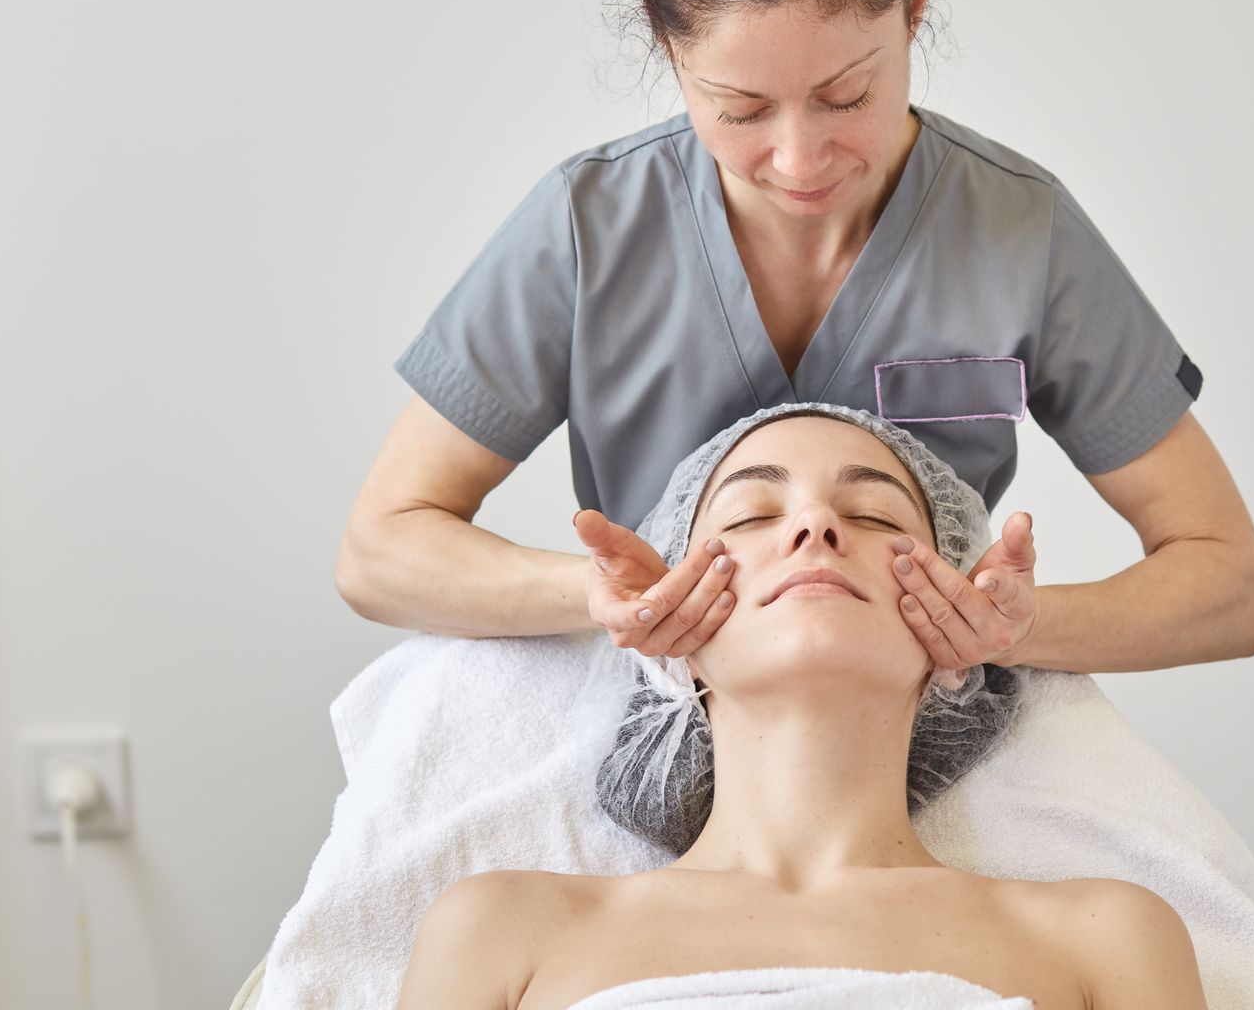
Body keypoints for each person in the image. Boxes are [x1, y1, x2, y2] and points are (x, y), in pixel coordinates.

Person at [337, 0, 1254, 678]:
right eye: (739, 110)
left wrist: (1016, 630)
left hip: (908, 731)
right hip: (670, 713)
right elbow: (380, 551)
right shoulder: (590, 229)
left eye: (846, 96)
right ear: (670, 54)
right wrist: (596, 596)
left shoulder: (1019, 234)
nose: (797, 159)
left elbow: (1232, 585)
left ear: (913, 10)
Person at [393, 408, 1209, 1010]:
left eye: (877, 516)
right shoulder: (499, 931)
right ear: (671, 640)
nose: (816, 524)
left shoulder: (1107, 938)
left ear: (954, 646)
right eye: (751, 516)